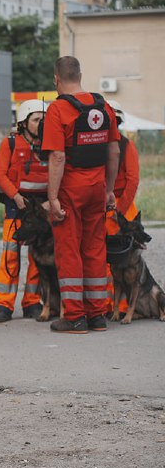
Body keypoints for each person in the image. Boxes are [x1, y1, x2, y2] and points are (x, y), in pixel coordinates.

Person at [42, 56, 120, 333]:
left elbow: (58, 157)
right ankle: (97, 315)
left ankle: (75, 316)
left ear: (56, 79)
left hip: (71, 189)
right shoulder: (103, 106)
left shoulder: (58, 110)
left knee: (69, 250)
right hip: (97, 186)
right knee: (95, 247)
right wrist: (109, 189)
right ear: (80, 75)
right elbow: (114, 151)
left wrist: (52, 198)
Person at [0, 100, 47, 323]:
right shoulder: (10, 143)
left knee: (38, 257)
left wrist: (50, 201)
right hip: (16, 205)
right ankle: (3, 304)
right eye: (36, 120)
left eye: (43, 120)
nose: (41, 124)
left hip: (41, 207)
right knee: (10, 255)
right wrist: (15, 196)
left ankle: (32, 302)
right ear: (23, 123)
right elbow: (1, 175)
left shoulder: (50, 143)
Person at [104, 99, 140, 318]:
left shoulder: (126, 145)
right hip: (104, 207)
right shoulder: (95, 147)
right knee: (103, 261)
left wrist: (120, 210)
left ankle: (124, 307)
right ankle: (107, 306)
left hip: (123, 209)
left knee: (127, 261)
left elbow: (132, 179)